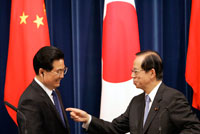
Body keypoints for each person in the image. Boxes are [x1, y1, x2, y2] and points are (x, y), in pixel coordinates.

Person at [66, 50, 200, 134]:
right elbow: (114, 128)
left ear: (151, 73)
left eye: (136, 71)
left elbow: (194, 128)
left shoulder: (173, 98)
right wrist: (88, 119)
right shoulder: (136, 102)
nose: (132, 76)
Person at [17, 46, 70, 134]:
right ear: (42, 72)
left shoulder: (55, 91)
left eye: (63, 70)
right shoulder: (30, 101)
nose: (62, 76)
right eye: (58, 71)